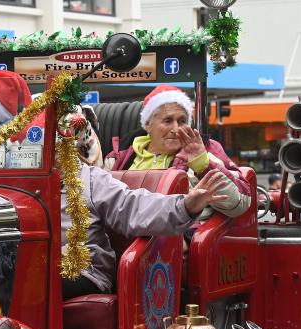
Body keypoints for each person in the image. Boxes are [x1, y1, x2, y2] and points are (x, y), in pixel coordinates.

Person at [63, 167, 229, 298]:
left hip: (83, 271)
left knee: (42, 283)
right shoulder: (36, 183)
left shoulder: (89, 179)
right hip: (42, 268)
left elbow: (132, 207)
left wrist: (185, 206)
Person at [104, 84, 250, 220]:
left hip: (180, 239)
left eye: (182, 121)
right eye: (167, 121)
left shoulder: (205, 151)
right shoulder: (116, 159)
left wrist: (202, 165)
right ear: (148, 124)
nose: (175, 129)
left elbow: (238, 205)